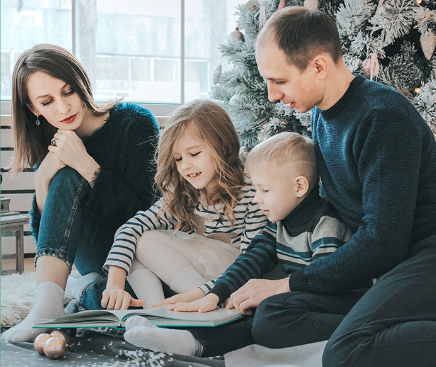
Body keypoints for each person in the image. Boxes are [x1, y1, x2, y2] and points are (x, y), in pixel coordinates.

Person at [126, 6, 436, 365]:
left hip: (421, 256)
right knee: (273, 314)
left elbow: (384, 242)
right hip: (379, 269)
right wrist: (218, 291)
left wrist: (285, 284)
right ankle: (201, 344)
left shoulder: (382, 118)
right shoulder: (322, 116)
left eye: (281, 81)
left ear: (319, 66)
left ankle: (369, 332)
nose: (272, 95)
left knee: (345, 352)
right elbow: (289, 223)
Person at [122, 131, 367, 356]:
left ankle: (193, 344)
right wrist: (215, 294)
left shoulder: (326, 224)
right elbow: (251, 259)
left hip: (340, 302)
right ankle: (187, 339)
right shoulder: (280, 220)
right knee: (258, 309)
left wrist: (268, 296)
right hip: (302, 298)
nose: (258, 199)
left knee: (267, 313)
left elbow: (322, 281)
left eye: (264, 190)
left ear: (299, 186)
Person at [2, 43, 160, 342]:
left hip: (138, 251)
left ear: (81, 84)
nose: (62, 108)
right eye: (47, 102)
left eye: (68, 91)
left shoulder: (135, 123)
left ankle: (79, 288)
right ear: (34, 109)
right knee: (63, 175)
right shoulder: (53, 141)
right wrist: (42, 179)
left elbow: (147, 212)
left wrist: (87, 166)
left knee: (128, 301)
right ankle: (47, 305)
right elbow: (49, 236)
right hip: (92, 254)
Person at [93, 99, 268, 312]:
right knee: (135, 235)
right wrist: (114, 285)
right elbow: (130, 229)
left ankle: (203, 306)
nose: (185, 165)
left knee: (146, 241)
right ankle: (155, 311)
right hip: (196, 276)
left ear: (224, 146)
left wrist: (213, 292)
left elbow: (252, 261)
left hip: (232, 278)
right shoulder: (184, 191)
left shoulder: (252, 192)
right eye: (178, 159)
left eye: (194, 154)